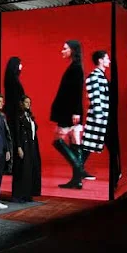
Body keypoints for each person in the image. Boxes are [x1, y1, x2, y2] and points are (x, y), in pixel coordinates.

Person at [51, 40, 86, 189]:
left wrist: (76, 111)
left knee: (58, 140)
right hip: (72, 112)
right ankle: (77, 179)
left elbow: (77, 91)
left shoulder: (76, 68)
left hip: (69, 112)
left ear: (72, 50)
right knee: (75, 143)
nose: (62, 51)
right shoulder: (75, 67)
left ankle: (78, 168)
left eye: (65, 48)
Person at [80, 51, 111, 179]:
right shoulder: (94, 77)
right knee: (88, 145)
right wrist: (100, 116)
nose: (109, 61)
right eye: (107, 58)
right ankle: (78, 169)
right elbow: (95, 98)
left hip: (102, 117)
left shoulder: (100, 76)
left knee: (88, 145)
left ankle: (78, 169)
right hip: (99, 118)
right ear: (100, 60)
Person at [12, 95, 42, 202]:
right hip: (24, 146)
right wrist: (19, 147)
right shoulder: (18, 116)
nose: (28, 104)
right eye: (26, 102)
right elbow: (16, 132)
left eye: (30, 102)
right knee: (22, 170)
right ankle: (18, 195)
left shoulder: (29, 116)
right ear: (21, 103)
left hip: (32, 145)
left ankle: (28, 194)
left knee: (31, 169)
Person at [3, 56, 25, 146]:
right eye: (19, 64)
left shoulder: (10, 78)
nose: (21, 66)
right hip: (15, 111)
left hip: (13, 111)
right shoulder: (13, 80)